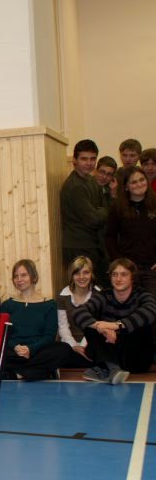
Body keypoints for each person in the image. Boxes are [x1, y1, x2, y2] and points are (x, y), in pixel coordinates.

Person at [74, 258, 156, 384]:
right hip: (112, 353)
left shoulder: (142, 295)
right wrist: (100, 327)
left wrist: (115, 325)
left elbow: (151, 311)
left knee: (143, 325)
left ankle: (107, 368)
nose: (118, 279)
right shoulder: (104, 296)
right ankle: (113, 369)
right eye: (114, 275)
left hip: (136, 359)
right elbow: (78, 312)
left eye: (124, 275)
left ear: (132, 278)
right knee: (90, 326)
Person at [0, 259, 72, 381]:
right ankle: (37, 372)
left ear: (34, 277)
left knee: (64, 349)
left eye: (23, 275)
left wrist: (30, 349)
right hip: (13, 352)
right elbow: (3, 334)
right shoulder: (7, 305)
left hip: (38, 351)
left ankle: (16, 373)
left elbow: (49, 336)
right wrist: (15, 347)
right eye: (16, 276)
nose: (19, 279)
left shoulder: (49, 304)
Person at [60, 139, 109, 287]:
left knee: (97, 289)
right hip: (78, 247)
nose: (89, 163)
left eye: (93, 159)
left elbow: (101, 211)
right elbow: (94, 219)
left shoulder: (91, 181)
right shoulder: (74, 186)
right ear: (75, 160)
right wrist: (104, 211)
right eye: (84, 159)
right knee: (83, 290)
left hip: (93, 244)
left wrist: (101, 212)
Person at [105, 166, 156, 297]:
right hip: (128, 269)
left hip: (152, 268)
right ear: (126, 187)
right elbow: (110, 237)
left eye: (142, 179)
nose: (139, 184)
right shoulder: (117, 207)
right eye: (133, 182)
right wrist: (119, 262)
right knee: (130, 304)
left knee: (152, 305)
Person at [56, 256, 101, 368]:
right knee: (58, 351)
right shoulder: (63, 296)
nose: (81, 277)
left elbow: (96, 326)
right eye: (77, 273)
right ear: (71, 275)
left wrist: (82, 346)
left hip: (91, 342)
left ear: (91, 274)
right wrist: (74, 346)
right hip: (69, 343)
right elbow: (63, 327)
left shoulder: (99, 294)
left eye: (86, 272)